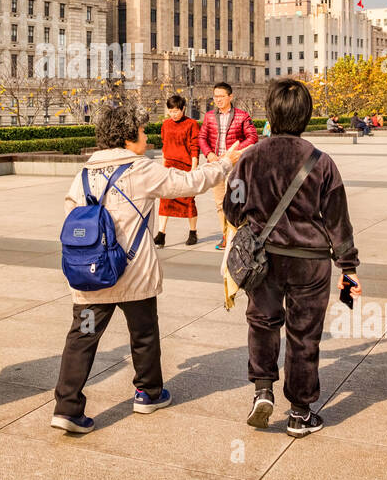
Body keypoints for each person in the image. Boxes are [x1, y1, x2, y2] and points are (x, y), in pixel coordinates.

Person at [52, 101, 238, 434]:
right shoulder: (141, 169)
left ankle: (67, 407)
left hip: (91, 276)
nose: (146, 139)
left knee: (82, 337)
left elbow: (71, 218)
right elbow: (191, 183)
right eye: (141, 132)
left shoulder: (83, 174)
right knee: (144, 334)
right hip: (133, 273)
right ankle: (148, 393)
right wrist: (226, 163)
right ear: (127, 137)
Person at [224, 79, 361, 437]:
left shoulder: (250, 158)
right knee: (304, 335)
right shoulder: (321, 161)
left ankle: (263, 390)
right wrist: (348, 268)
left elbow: (232, 207)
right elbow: (337, 220)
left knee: (263, 323)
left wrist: (253, 219)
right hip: (310, 261)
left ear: (270, 113)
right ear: (306, 115)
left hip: (264, 259)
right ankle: (300, 413)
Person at [199, 82, 259, 250]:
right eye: (215, 96)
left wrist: (233, 153)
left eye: (221, 96)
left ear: (230, 97)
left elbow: (252, 137)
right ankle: (225, 236)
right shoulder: (209, 116)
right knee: (220, 203)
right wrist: (209, 154)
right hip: (217, 165)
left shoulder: (242, 116)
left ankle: (239, 236)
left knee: (237, 201)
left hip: (236, 168)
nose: (217, 100)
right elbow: (202, 137)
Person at [155, 94, 201, 247]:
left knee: (188, 201)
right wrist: (163, 166)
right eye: (171, 111)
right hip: (169, 166)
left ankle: (193, 232)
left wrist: (193, 169)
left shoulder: (191, 124)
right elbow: (164, 145)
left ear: (183, 109)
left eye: (176, 111)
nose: (173, 114)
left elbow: (195, 147)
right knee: (165, 199)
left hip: (186, 167)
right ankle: (161, 233)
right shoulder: (166, 124)